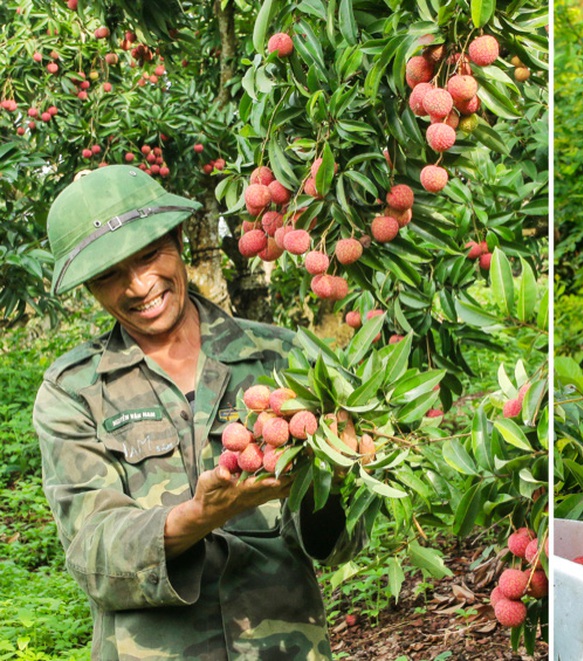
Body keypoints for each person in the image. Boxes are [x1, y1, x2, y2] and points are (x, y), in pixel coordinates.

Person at [33, 165, 364, 660]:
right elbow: (94, 555)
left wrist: (332, 477)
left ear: (179, 238)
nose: (140, 284)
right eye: (109, 275)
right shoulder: (74, 391)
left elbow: (342, 543)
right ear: (89, 288)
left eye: (149, 255)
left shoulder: (285, 359)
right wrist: (199, 517)